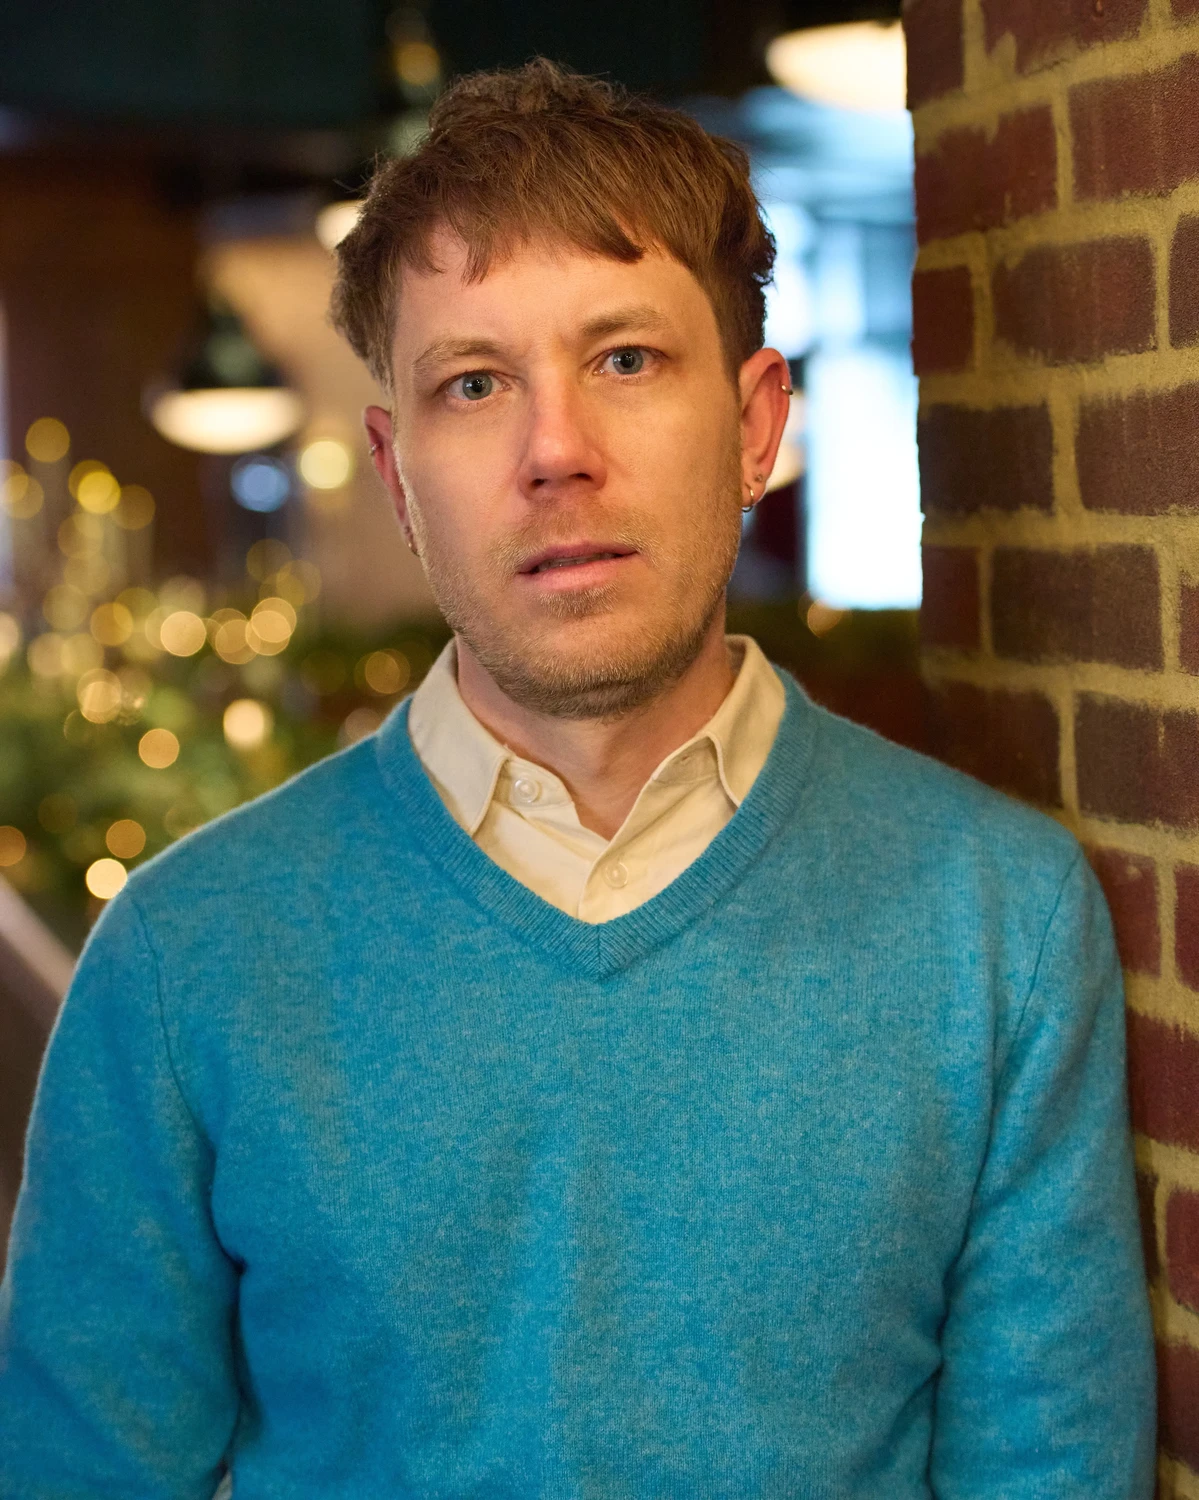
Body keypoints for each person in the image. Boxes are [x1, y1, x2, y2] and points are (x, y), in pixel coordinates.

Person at [0, 59, 1155, 1499]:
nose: (556, 452)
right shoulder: (187, 957)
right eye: (474, 384)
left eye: (624, 359)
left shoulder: (994, 919)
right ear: (399, 471)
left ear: (752, 428)